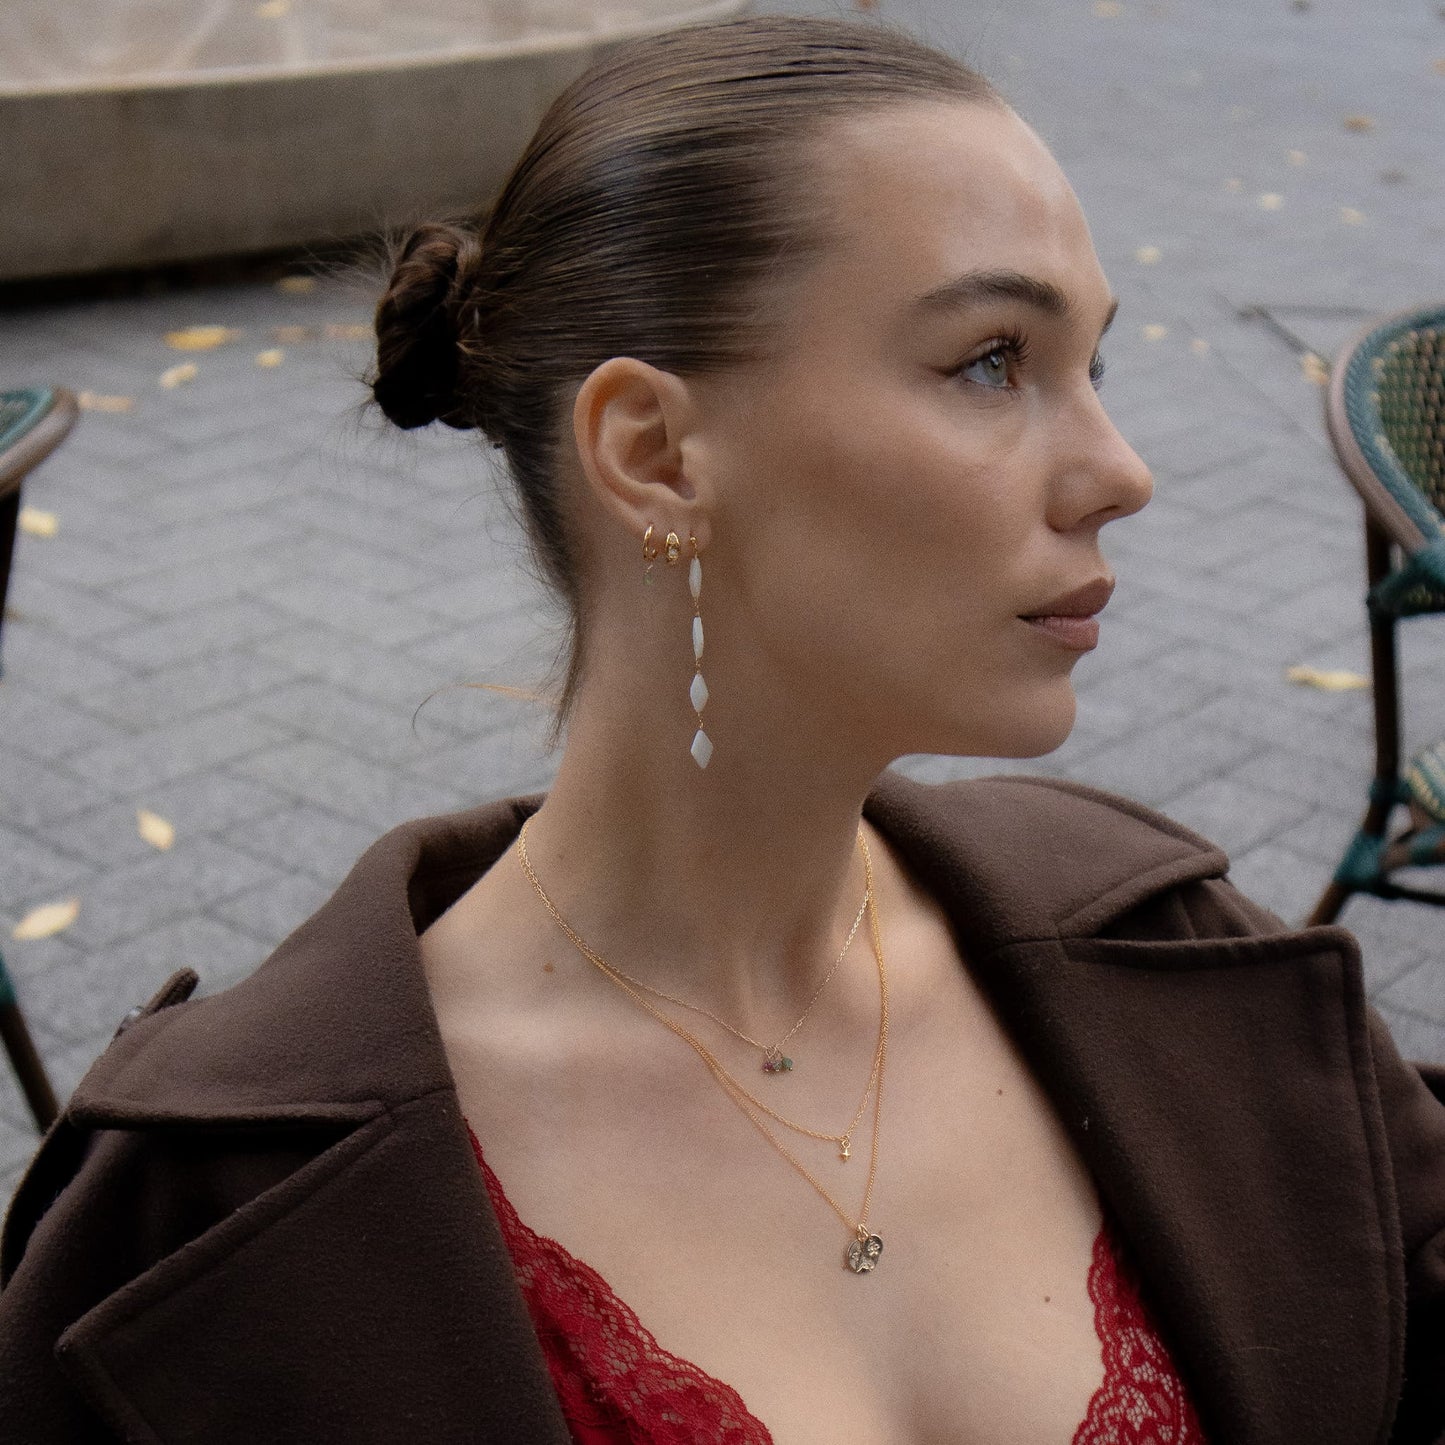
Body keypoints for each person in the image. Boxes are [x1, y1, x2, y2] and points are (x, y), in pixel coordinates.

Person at [2, 14, 1442, 1444]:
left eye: (1094, 367)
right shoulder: (213, 1219)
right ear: (653, 453)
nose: (1119, 473)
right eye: (992, 361)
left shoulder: (1182, 956)